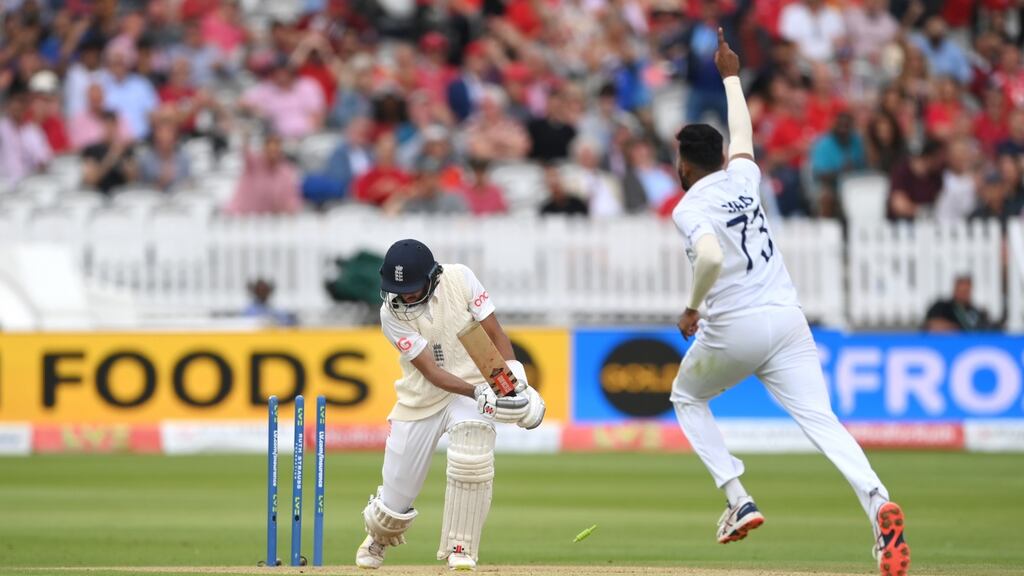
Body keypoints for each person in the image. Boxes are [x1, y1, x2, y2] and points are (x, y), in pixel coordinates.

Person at [669, 30, 909, 576]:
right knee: (823, 421)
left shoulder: (689, 205)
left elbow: (706, 258)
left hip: (733, 327)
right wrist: (732, 76)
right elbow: (744, 136)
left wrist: (690, 306)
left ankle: (737, 498)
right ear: (722, 157)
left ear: (684, 164)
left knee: (686, 397)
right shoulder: (745, 178)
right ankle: (878, 504)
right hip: (788, 319)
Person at [355, 239, 545, 571]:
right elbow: (431, 371)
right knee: (397, 493)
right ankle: (378, 538)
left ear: (432, 276)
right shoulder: (390, 314)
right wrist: (478, 393)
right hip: (422, 397)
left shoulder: (461, 278)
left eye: (413, 289)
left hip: (474, 383)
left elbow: (495, 334)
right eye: (400, 290)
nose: (406, 297)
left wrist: (516, 386)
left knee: (472, 452)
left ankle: (461, 546)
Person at [924, 276, 994, 332]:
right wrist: (957, 328)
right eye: (961, 291)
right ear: (955, 289)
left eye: (966, 291)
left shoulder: (975, 311)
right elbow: (932, 325)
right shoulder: (942, 306)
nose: (964, 294)